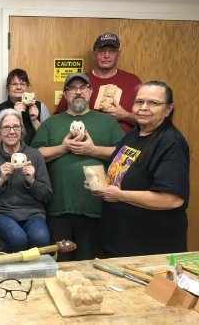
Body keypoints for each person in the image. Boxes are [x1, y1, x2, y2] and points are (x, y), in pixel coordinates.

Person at [88, 81, 189, 257]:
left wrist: (119, 195)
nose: (143, 107)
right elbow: (122, 173)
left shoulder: (171, 143)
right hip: (118, 242)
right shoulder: (134, 134)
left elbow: (171, 199)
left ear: (168, 109)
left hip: (149, 249)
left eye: (153, 103)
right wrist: (101, 184)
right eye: (139, 101)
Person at [31, 72, 124, 261]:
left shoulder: (107, 122)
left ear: (90, 91)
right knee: (60, 266)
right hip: (58, 207)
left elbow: (125, 156)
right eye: (72, 88)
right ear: (65, 95)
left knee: (90, 265)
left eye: (83, 88)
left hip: (95, 207)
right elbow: (33, 155)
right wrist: (63, 148)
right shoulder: (51, 123)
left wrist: (93, 150)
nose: (78, 92)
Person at [0, 109, 52, 253]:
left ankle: (35, 274)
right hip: (1, 213)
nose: (11, 131)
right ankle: (14, 274)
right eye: (6, 127)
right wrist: (0, 180)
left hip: (33, 213)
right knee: (17, 239)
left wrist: (32, 181)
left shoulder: (34, 155)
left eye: (16, 126)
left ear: (21, 130)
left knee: (41, 238)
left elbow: (47, 195)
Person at [55, 32, 142, 132]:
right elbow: (60, 117)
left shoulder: (133, 81)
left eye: (112, 51)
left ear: (118, 54)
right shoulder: (78, 81)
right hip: (84, 143)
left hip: (124, 143)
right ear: (94, 55)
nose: (106, 55)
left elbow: (149, 121)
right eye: (102, 51)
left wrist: (125, 116)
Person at [0, 68, 50, 145]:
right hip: (9, 155)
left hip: (36, 153)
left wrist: (34, 121)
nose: (18, 87)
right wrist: (16, 114)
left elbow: (48, 139)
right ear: (7, 88)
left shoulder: (41, 107)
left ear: (27, 87)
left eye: (22, 84)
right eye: (14, 84)